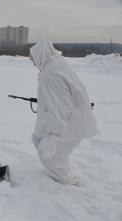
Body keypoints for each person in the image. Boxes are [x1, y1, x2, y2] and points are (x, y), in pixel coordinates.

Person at [29, 39, 98, 185]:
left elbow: (61, 107)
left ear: (41, 55)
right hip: (70, 117)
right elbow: (62, 95)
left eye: (33, 58)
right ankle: (59, 168)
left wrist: (53, 136)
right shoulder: (57, 65)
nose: (33, 62)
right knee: (37, 139)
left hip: (71, 120)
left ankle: (68, 185)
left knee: (51, 156)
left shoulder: (51, 74)